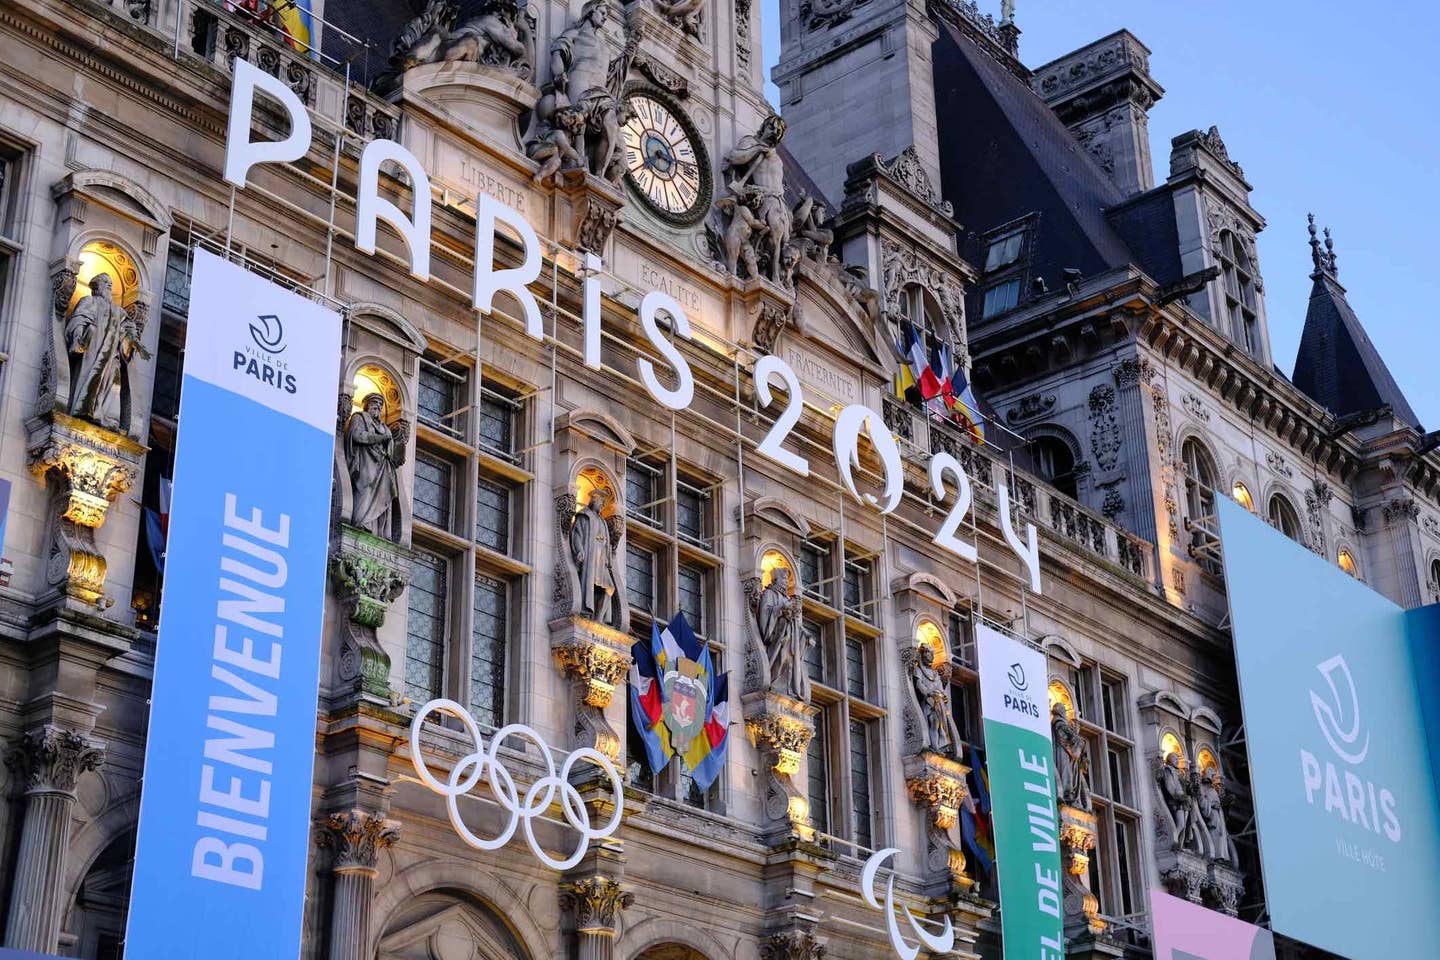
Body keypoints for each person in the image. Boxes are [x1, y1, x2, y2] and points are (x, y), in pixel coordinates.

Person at [345, 394, 399, 538]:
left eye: (380, 405)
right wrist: (381, 438)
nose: (377, 407)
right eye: (374, 403)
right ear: (367, 405)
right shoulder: (359, 418)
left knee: (383, 494)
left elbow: (391, 447)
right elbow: (357, 436)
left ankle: (377, 531)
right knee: (365, 487)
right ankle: (360, 522)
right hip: (365, 461)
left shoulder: (384, 427)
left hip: (382, 467)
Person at [569, 487, 619, 624]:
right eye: (601, 502)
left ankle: (598, 618)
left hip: (601, 561)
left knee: (609, 587)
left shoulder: (602, 521)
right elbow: (577, 534)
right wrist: (579, 550)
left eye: (603, 503)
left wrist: (608, 558)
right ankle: (588, 612)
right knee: (589, 586)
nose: (602, 505)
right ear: (594, 500)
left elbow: (606, 542)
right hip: (590, 561)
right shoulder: (584, 516)